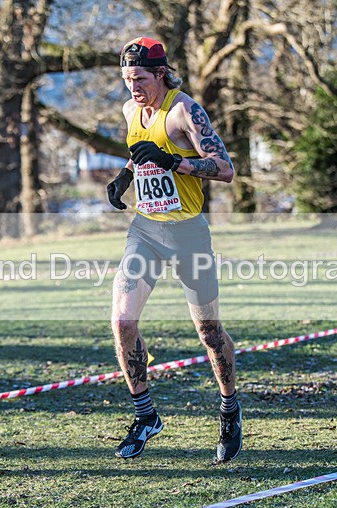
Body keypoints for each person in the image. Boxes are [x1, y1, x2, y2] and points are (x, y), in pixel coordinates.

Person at [107, 37, 241, 463]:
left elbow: (225, 170)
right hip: (145, 232)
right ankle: (145, 415)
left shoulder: (185, 110)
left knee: (209, 333)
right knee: (122, 321)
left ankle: (229, 407)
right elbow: (139, 150)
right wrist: (125, 176)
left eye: (140, 78)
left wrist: (176, 163)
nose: (133, 87)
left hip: (188, 235)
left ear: (161, 74)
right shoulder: (131, 109)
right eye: (128, 79)